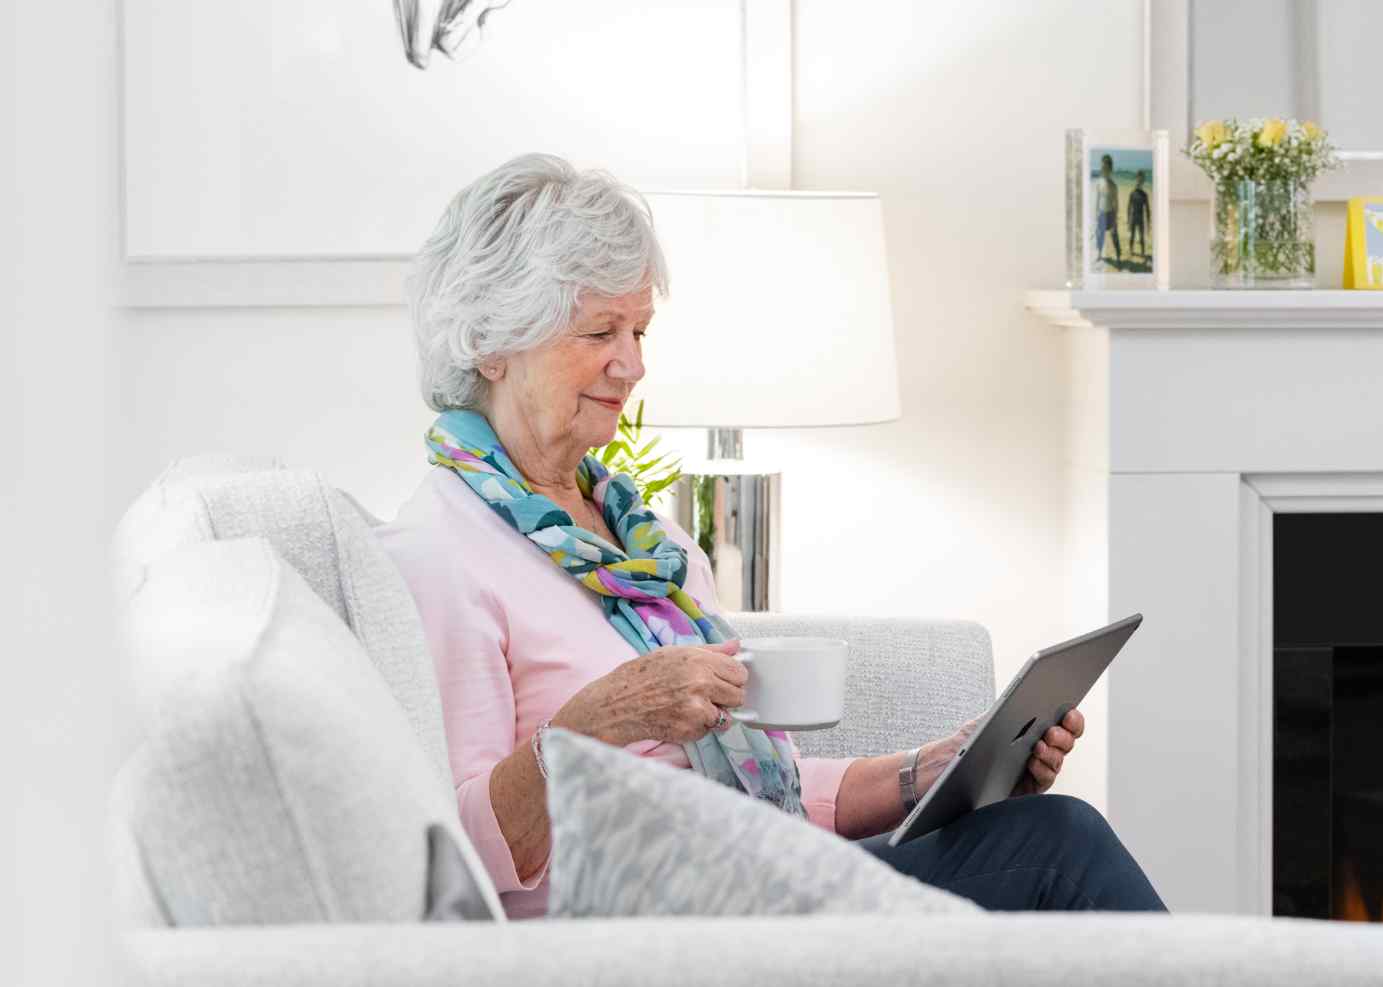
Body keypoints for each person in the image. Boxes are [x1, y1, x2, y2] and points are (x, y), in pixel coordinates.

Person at [379, 154, 1166, 918]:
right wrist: (604, 719)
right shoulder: (444, 553)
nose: (632, 366)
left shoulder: (643, 543)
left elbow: (769, 792)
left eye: (640, 332)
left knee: (1038, 830)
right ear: (490, 343)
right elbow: (453, 851)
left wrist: (924, 774)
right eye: (599, 333)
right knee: (1058, 845)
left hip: (758, 882)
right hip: (645, 933)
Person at [1095, 153, 1121, 266]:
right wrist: (1096, 213)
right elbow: (1097, 199)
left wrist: (1115, 220)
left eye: (1106, 168)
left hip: (1111, 214)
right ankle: (1099, 254)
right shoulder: (1099, 183)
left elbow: (1116, 204)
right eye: (1102, 167)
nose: (1103, 170)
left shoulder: (1113, 186)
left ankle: (1118, 255)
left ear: (1110, 169)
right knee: (1099, 235)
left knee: (1114, 235)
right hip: (1101, 213)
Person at [1127, 171, 1151, 260]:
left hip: (1140, 219)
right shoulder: (1132, 193)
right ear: (1136, 179)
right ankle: (1131, 250)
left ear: (1143, 181)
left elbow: (1148, 210)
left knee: (1141, 237)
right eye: (1138, 179)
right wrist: (1128, 221)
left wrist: (1148, 223)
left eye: (1141, 180)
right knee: (1132, 236)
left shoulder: (1144, 195)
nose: (1139, 181)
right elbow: (1128, 207)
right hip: (1133, 218)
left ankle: (1142, 253)